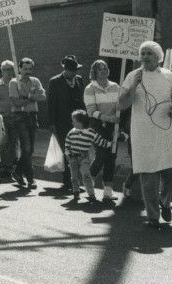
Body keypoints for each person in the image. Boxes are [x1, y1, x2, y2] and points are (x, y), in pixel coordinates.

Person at [120, 41, 172, 228]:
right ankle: (153, 216)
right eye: (142, 53)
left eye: (149, 53)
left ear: (158, 56)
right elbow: (122, 104)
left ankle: (165, 201)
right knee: (148, 178)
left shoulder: (169, 76)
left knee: (169, 173)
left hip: (165, 132)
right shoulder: (132, 75)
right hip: (143, 133)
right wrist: (133, 85)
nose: (145, 57)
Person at [47, 55, 86, 192]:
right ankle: (68, 181)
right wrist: (51, 123)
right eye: (71, 70)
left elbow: (82, 100)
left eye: (76, 70)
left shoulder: (79, 80)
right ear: (65, 69)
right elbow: (51, 104)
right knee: (67, 151)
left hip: (78, 121)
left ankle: (76, 180)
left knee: (78, 150)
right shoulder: (55, 82)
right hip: (62, 121)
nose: (74, 73)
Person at [84, 60, 121, 201]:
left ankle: (107, 192)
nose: (104, 71)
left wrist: (120, 107)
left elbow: (120, 105)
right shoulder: (90, 88)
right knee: (102, 155)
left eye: (105, 68)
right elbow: (90, 111)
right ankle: (88, 181)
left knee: (112, 157)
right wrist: (106, 118)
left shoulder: (115, 86)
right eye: (100, 69)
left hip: (113, 126)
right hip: (97, 125)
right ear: (94, 72)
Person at [9, 58, 46, 188]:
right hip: (20, 117)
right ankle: (30, 178)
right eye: (25, 69)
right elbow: (16, 103)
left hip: (32, 116)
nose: (27, 72)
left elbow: (43, 97)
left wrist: (27, 97)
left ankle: (18, 172)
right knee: (26, 148)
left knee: (30, 150)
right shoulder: (14, 83)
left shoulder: (35, 81)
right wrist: (31, 97)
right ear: (19, 68)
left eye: (30, 69)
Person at [64, 110, 112, 201]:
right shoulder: (71, 132)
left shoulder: (91, 132)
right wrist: (68, 154)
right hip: (73, 157)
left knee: (86, 174)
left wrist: (110, 144)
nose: (72, 123)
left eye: (74, 121)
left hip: (84, 158)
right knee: (74, 177)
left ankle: (91, 194)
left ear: (81, 122)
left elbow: (100, 141)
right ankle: (76, 192)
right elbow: (67, 144)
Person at [0, 60, 17, 180]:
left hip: (16, 118)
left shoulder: (17, 83)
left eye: (10, 69)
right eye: (5, 70)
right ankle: (4, 167)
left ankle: (12, 166)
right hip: (2, 118)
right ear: (1, 71)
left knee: (14, 143)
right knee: (3, 143)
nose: (8, 72)